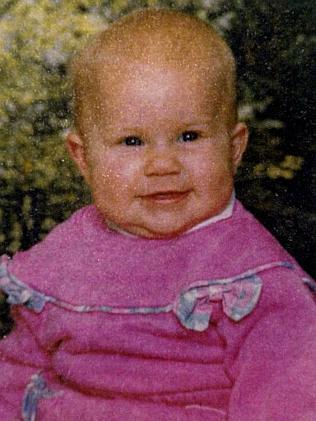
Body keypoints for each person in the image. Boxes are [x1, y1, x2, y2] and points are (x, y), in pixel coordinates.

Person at [0, 8, 315, 421]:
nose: (162, 164)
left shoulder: (252, 281)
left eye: (189, 136)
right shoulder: (67, 255)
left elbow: (287, 402)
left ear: (233, 148)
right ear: (83, 158)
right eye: (132, 141)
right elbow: (18, 371)